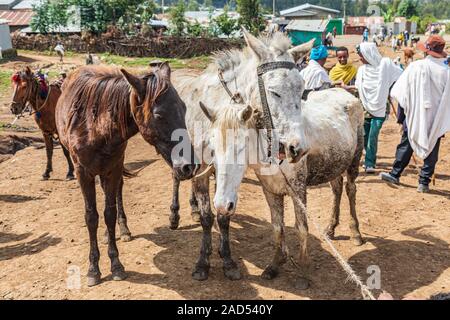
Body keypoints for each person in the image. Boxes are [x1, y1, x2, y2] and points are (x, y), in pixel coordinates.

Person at [380, 35, 450, 193]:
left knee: (407, 143)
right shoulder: (446, 71)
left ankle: (395, 174)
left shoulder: (415, 67)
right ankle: (423, 183)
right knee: (432, 145)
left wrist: (402, 116)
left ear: (426, 51)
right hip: (436, 117)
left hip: (414, 114)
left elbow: (401, 91)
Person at [355, 42, 403, 173]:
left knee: (372, 135)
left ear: (368, 54)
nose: (360, 58)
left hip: (380, 107)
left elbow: (400, 76)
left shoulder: (385, 65)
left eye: (362, 55)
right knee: (365, 135)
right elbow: (357, 87)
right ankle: (369, 156)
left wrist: (389, 88)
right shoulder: (361, 70)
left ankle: (370, 162)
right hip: (364, 108)